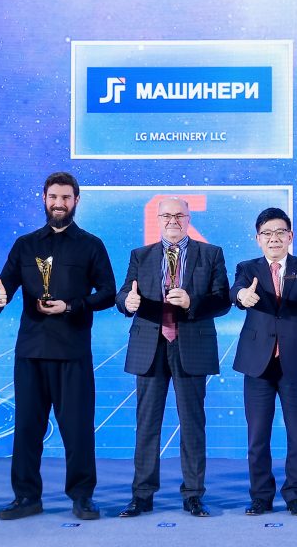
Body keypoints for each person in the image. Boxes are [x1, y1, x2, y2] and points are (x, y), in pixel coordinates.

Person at [0, 171, 116, 521]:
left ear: (76, 201)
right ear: (44, 199)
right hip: (30, 352)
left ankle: (82, 497)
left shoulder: (91, 245)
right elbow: (4, 288)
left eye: (65, 197)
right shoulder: (25, 245)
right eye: (53, 197)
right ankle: (26, 497)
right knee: (27, 429)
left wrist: (72, 306)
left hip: (72, 351)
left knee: (77, 429)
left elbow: (108, 292)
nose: (59, 203)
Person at [116, 197, 230, 518]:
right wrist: (127, 303)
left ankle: (193, 494)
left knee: (192, 423)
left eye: (179, 215)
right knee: (146, 423)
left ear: (188, 218)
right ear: (157, 219)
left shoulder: (211, 254)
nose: (172, 220)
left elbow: (223, 300)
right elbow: (124, 293)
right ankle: (142, 495)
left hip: (191, 344)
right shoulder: (141, 255)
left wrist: (192, 301)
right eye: (166, 215)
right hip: (149, 346)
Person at [230, 208, 297, 517]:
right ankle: (261, 496)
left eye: (280, 232)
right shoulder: (247, 268)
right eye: (267, 234)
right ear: (258, 239)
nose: (274, 239)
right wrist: (241, 297)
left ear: (290, 236)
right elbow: (236, 291)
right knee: (257, 435)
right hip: (257, 363)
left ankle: (296, 495)